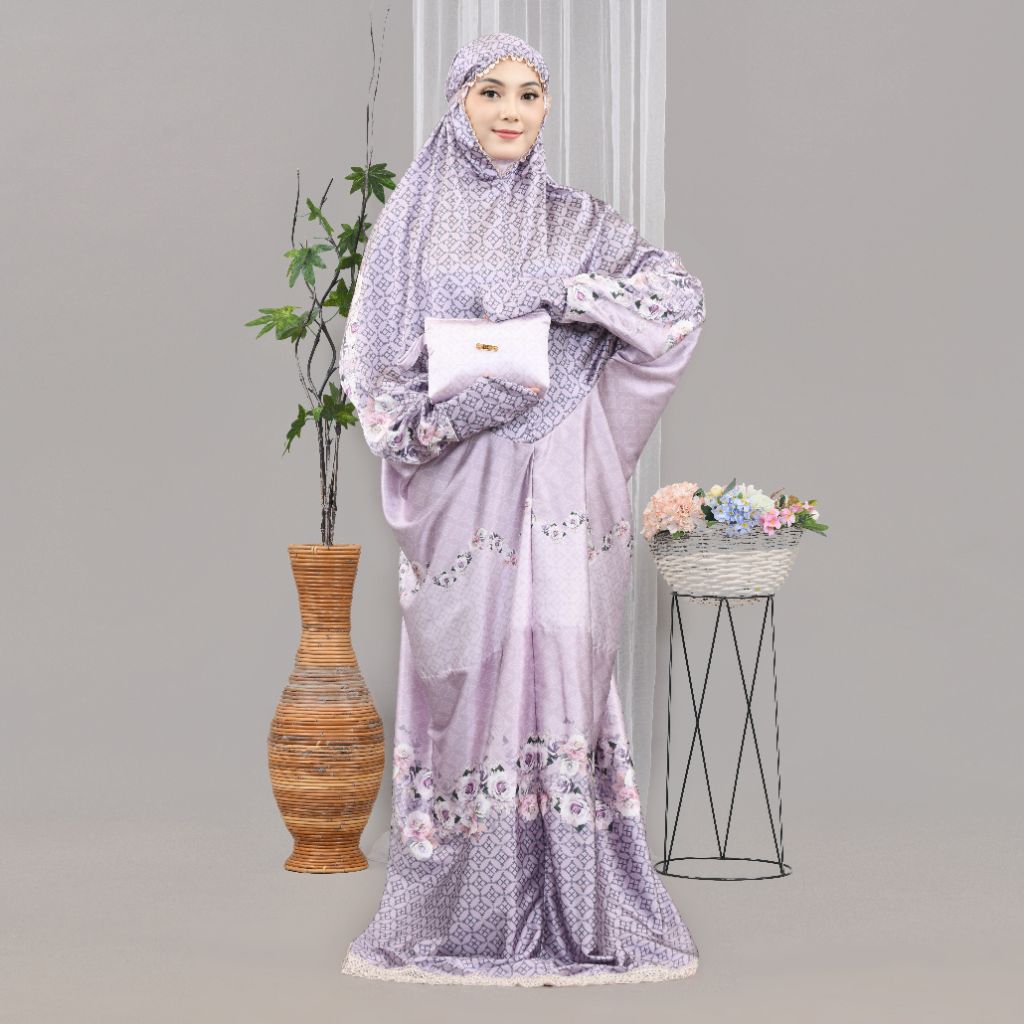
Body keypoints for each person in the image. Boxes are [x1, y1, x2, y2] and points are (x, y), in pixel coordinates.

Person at [337, 31, 706, 987]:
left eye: (530, 93)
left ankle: (579, 899)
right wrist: (467, 405)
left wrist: (571, 297)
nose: (511, 110)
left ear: (546, 109)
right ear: (458, 103)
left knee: (568, 663)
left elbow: (677, 302)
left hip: (566, 484)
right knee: (467, 677)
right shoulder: (412, 225)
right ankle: (468, 905)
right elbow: (376, 382)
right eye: (491, 91)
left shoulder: (577, 221)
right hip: (464, 487)